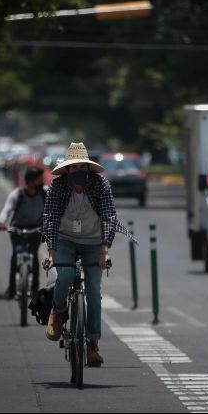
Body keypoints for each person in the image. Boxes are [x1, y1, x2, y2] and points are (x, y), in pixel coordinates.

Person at [42, 142, 135, 367]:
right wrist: (52, 254)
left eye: (81, 167)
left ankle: (92, 343)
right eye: (73, 168)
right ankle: (58, 310)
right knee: (64, 276)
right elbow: (51, 220)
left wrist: (105, 251)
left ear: (88, 168)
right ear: (67, 171)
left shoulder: (100, 184)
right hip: (65, 239)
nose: (78, 172)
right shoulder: (57, 187)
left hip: (94, 241)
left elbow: (109, 217)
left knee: (93, 289)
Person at [0, 166, 46, 299]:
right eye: (39, 179)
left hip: (36, 229)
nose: (42, 181)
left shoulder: (44, 194)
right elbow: (6, 210)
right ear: (30, 181)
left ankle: (35, 291)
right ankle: (12, 289)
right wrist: (2, 222)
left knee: (34, 257)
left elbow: (52, 210)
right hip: (17, 229)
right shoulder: (17, 194)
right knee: (16, 255)